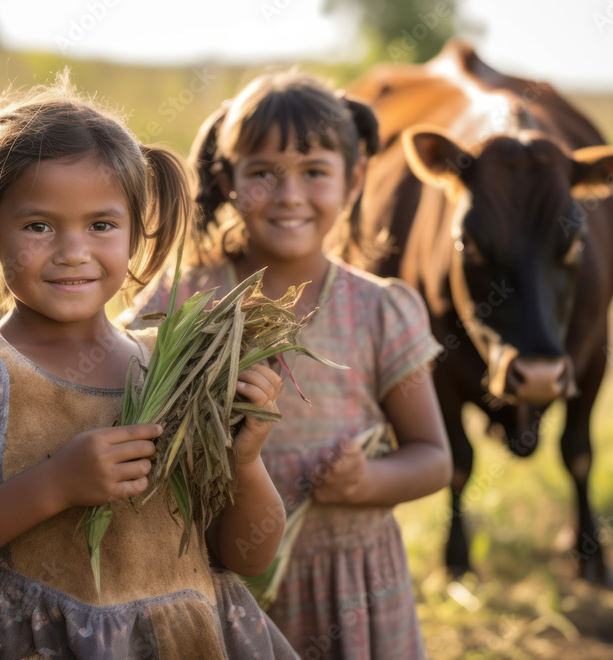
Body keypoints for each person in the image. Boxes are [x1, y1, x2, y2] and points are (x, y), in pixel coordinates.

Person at [0, 77, 300, 659]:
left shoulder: (173, 370)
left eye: (101, 225)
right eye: (39, 226)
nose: (73, 250)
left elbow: (247, 557)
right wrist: (53, 486)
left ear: (133, 232)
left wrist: (245, 460)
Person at [121, 71, 452, 659]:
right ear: (227, 181)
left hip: (351, 584)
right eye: (263, 173)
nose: (289, 194)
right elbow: (119, 378)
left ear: (353, 181)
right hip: (218, 575)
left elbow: (433, 458)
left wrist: (367, 483)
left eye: (314, 172)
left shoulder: (380, 309)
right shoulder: (189, 300)